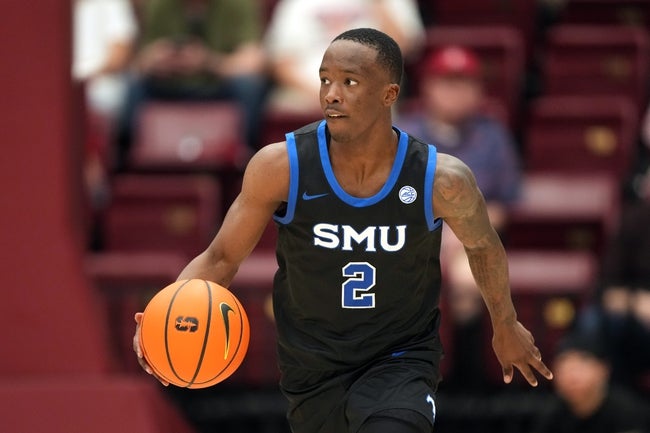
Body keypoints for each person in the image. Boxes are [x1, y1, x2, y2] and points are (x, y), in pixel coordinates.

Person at [133, 28, 552, 433]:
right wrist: (161, 318)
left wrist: (505, 323)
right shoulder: (280, 166)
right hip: (312, 363)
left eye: (349, 82)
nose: (331, 94)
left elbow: (483, 246)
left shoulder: (440, 178)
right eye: (325, 80)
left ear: (389, 94)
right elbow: (221, 258)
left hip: (400, 358)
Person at [397, 45, 522, 392]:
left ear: (479, 90)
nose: (455, 92)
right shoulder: (402, 133)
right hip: (409, 236)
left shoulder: (493, 135)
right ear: (428, 87)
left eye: (464, 83)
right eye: (446, 82)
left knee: (468, 283)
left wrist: (461, 232)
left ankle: (463, 386)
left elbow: (503, 204)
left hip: (472, 240)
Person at [117, 0, 267, 165]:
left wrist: (208, 62)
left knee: (248, 86)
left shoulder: (239, 4)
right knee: (134, 85)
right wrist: (156, 61)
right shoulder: (157, 5)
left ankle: (248, 157)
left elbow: (253, 62)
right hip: (170, 83)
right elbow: (139, 62)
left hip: (217, 86)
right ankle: (126, 161)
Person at [263, 0, 424, 113]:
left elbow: (402, 48)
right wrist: (324, 94)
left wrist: (379, 5)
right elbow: (280, 63)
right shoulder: (297, 4)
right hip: (305, 92)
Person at [531, 331, 649, 433]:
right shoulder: (550, 416)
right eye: (564, 369)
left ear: (604, 369)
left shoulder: (629, 412)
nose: (572, 378)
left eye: (579, 368)